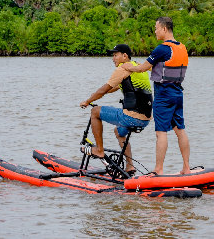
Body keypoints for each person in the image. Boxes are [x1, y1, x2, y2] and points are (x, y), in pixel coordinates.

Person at [121, 17, 191, 175]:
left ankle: (158, 170)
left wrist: (128, 66)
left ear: (164, 29)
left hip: (164, 95)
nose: (155, 31)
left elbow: (142, 68)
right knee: (180, 130)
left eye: (156, 28)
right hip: (178, 93)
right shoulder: (182, 47)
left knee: (161, 132)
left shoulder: (162, 49)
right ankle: (186, 167)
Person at [79, 44, 152, 175]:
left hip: (131, 117)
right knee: (119, 132)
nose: (113, 58)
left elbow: (104, 89)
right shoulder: (138, 67)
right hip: (145, 120)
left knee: (95, 112)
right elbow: (114, 87)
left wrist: (88, 101)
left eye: (115, 55)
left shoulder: (122, 69)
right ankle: (129, 166)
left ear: (125, 56)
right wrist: (102, 93)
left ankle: (99, 150)